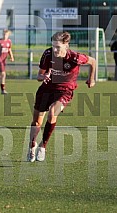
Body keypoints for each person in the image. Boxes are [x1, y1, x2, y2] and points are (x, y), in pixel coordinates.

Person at [27, 31, 96, 162]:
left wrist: (91, 79)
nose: (55, 49)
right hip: (46, 90)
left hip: (65, 91)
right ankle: (32, 145)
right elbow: (38, 76)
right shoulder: (48, 54)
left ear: (66, 45)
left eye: (58, 47)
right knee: (36, 122)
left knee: (53, 113)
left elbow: (93, 61)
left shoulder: (75, 57)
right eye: (53, 46)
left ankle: (43, 146)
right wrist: (44, 76)